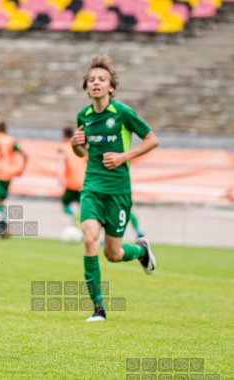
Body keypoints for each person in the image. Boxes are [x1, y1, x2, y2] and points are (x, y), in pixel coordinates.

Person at [70, 55, 159, 322]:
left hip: (118, 190)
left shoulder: (122, 113)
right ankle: (98, 308)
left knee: (113, 254)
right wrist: (76, 144)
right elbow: (82, 152)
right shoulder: (83, 116)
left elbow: (151, 140)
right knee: (88, 240)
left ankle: (141, 250)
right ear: (86, 88)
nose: (96, 83)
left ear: (111, 87)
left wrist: (123, 156)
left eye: (102, 79)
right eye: (91, 80)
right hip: (92, 187)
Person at [0, 121, 28, 236]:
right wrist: (21, 169)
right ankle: (1, 229)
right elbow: (24, 154)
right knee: (0, 202)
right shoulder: (10, 140)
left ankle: (1, 226)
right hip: (8, 174)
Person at [58, 126, 87, 228]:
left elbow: (62, 162)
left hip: (71, 182)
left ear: (64, 136)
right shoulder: (80, 147)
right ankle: (79, 228)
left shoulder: (64, 147)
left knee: (64, 205)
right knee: (82, 207)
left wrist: (60, 178)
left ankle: (74, 215)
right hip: (83, 181)